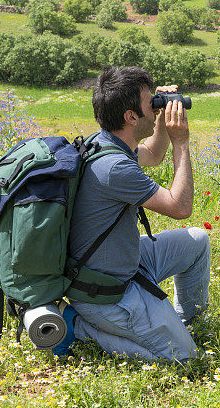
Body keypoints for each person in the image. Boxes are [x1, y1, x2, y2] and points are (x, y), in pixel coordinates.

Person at [55, 66, 211, 361]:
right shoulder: (115, 168)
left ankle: (185, 324)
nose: (154, 106)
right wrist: (181, 141)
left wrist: (163, 118)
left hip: (125, 264)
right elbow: (180, 207)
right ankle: (78, 326)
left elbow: (153, 154)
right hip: (105, 294)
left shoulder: (103, 143)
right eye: (149, 103)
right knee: (184, 358)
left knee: (196, 242)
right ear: (130, 117)